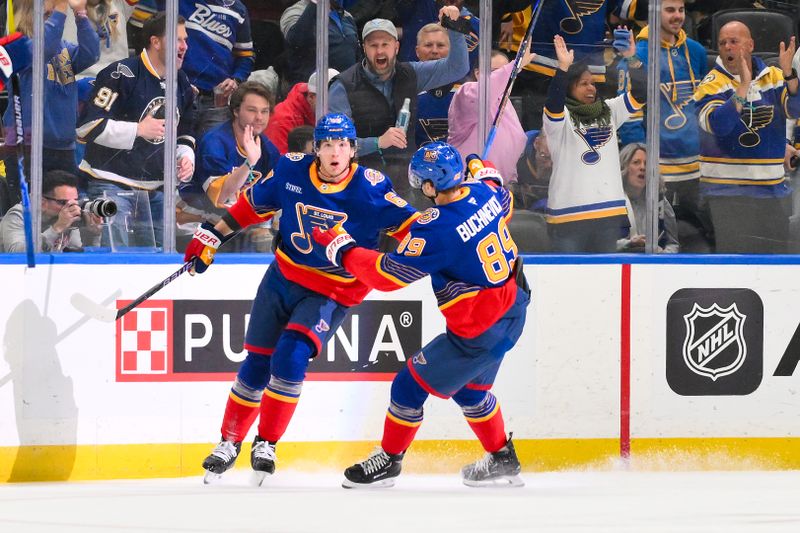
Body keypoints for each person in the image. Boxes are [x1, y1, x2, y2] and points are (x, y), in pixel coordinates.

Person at [182, 113, 418, 484]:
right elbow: (251, 206)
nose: (335, 152)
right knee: (257, 362)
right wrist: (214, 233)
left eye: (343, 145)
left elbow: (415, 230)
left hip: (333, 289)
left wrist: (449, 238)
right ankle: (229, 441)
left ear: (353, 150)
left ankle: (267, 443)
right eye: (328, 145)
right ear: (316, 149)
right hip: (283, 277)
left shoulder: (371, 188)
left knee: (290, 357)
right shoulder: (291, 170)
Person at [310, 141, 530, 488]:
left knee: (408, 385)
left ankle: (389, 460)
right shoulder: (484, 192)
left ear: (429, 186)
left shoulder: (438, 228)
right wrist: (479, 164)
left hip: (481, 327)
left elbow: (388, 275)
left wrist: (343, 249)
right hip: (514, 308)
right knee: (470, 391)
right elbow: (500, 192)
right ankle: (502, 458)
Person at [77, 12, 196, 250]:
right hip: (111, 184)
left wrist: (185, 156)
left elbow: (184, 130)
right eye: (178, 39)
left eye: (185, 40)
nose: (185, 46)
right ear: (156, 42)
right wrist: (137, 129)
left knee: (163, 264)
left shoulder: (180, 81)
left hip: (157, 189)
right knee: (117, 261)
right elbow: (87, 127)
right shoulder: (120, 74)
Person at [328, 7, 469, 207]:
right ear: (364, 48)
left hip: (405, 185)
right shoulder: (342, 86)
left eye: (385, 44)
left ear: (396, 47)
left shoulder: (412, 73)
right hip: (360, 185)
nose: (379, 51)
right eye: (373, 45)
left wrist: (454, 28)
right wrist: (377, 142)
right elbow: (334, 144)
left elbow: (457, 68)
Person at [694, 22, 800, 254]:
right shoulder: (711, 84)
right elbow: (719, 126)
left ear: (750, 45)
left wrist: (790, 75)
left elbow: (795, 110)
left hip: (771, 192)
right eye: (722, 43)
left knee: (775, 266)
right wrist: (743, 87)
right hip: (727, 195)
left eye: (734, 41)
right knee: (735, 267)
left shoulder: (773, 77)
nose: (727, 47)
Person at [617, 0, 710, 244]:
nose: (677, 16)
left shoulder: (697, 51)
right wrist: (644, 160)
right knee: (661, 241)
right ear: (654, 12)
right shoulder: (636, 55)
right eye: (670, 10)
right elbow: (629, 116)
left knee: (699, 241)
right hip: (658, 169)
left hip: (696, 166)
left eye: (681, 10)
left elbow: (704, 104)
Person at [543, 31, 645, 253]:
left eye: (592, 83)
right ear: (570, 88)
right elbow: (553, 103)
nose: (591, 88)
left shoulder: (609, 110)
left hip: (607, 214)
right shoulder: (560, 120)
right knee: (569, 272)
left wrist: (632, 58)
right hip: (568, 215)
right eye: (583, 84)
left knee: (604, 274)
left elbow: (642, 93)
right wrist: (562, 69)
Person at [2, 0, 100, 209]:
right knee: (26, 213)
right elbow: (41, 50)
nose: (56, 19)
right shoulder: (16, 46)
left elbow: (91, 53)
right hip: (26, 146)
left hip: (63, 145)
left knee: (66, 212)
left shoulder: (62, 46)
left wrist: (81, 14)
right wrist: (61, 8)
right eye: (48, 15)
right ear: (29, 13)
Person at [127, 0, 255, 136]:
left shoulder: (238, 9)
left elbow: (246, 56)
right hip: (173, 93)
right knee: (166, 145)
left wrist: (236, 79)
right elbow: (140, 30)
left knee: (211, 147)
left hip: (216, 100)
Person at [448, 47, 530, 185]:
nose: (505, 77)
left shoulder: (506, 102)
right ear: (478, 73)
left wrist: (511, 179)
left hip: (499, 186)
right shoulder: (466, 93)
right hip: (467, 186)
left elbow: (513, 144)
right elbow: (485, 93)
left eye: (509, 73)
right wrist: (514, 66)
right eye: (496, 72)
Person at [0, 170, 101, 253]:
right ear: (42, 202)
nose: (71, 207)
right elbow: (18, 255)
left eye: (74, 201)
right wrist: (56, 229)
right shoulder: (18, 215)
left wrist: (93, 234)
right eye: (63, 202)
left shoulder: (66, 217)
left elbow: (75, 254)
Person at [616, 143, 680, 253]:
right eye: (636, 162)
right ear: (623, 168)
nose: (643, 167)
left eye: (647, 164)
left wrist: (662, 254)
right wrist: (629, 244)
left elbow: (673, 244)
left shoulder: (659, 201)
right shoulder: (613, 201)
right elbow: (600, 244)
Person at [280, 0, 360, 87]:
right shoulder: (295, 12)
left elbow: (356, 53)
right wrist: (315, 4)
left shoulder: (346, 15)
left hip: (346, 89)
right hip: (312, 90)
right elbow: (296, 42)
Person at [265, 68, 339, 155]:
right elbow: (278, 160)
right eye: (330, 99)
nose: (337, 104)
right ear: (311, 97)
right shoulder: (282, 120)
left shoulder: (329, 114)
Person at [413, 23, 459, 148]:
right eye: (428, 45)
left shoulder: (466, 90)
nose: (434, 51)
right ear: (417, 51)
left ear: (451, 50)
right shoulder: (404, 88)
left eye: (440, 45)